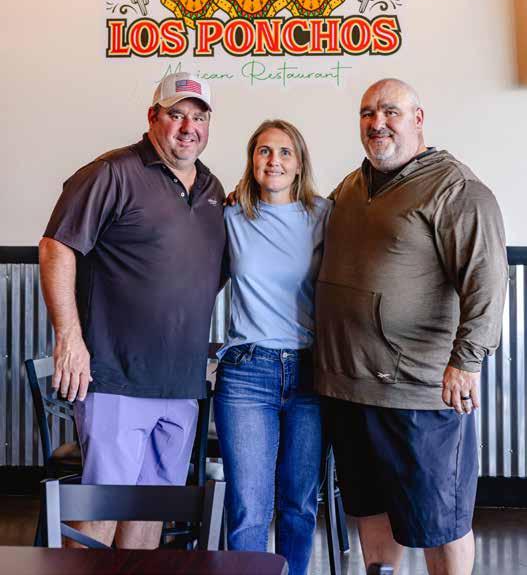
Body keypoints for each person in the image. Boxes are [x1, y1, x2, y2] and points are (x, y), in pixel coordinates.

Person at [315, 78, 508, 575]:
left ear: (418, 120)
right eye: (367, 113)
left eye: (390, 112)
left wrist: (467, 361)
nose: (377, 122)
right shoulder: (352, 185)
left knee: (440, 520)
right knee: (369, 507)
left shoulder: (455, 188)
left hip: (419, 393)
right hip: (350, 388)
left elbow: (486, 280)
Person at [39, 72, 225, 549]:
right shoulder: (112, 172)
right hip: (116, 378)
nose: (188, 127)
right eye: (176, 114)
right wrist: (69, 338)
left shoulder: (211, 188)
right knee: (103, 508)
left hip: (180, 384)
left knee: (153, 509)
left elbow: (206, 273)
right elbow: (57, 247)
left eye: (199, 117)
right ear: (153, 117)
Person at [214, 119, 332, 575]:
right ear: (252, 161)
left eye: (285, 152)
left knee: (299, 504)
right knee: (249, 506)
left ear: (300, 163)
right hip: (247, 372)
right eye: (264, 151)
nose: (274, 161)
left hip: (310, 372)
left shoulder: (324, 215)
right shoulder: (230, 217)